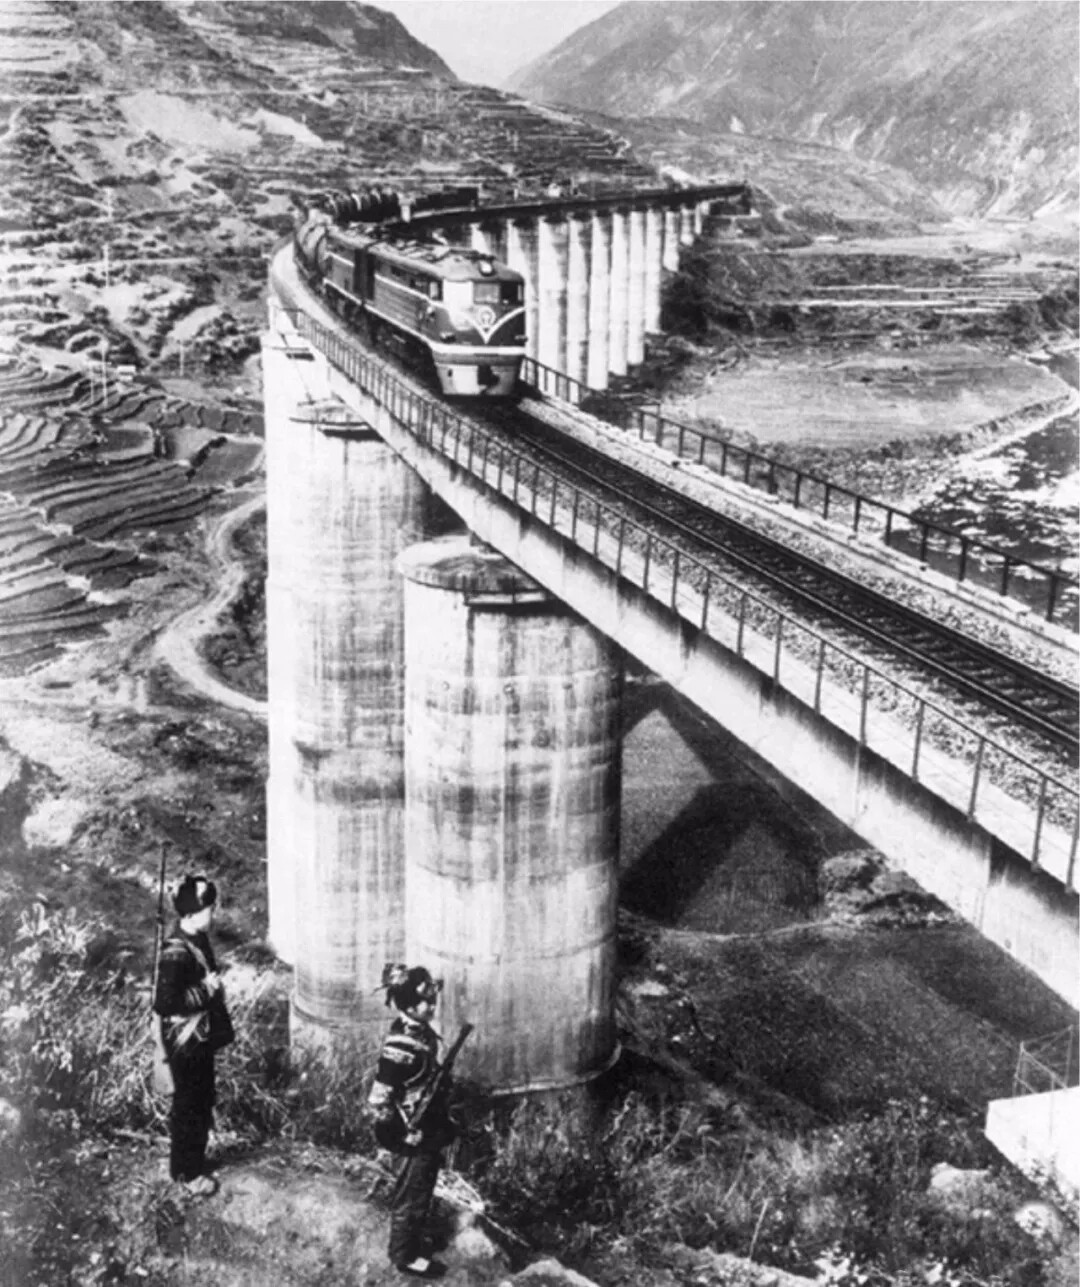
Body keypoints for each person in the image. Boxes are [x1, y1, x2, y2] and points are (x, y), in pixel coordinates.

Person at [368, 963, 457, 1280]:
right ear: (408, 1006)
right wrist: (400, 1136)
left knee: (423, 1188)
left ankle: (414, 1240)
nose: (431, 1007)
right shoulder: (400, 1047)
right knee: (411, 1196)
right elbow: (379, 1100)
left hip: (427, 1127)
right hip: (410, 1133)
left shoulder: (418, 1032)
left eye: (433, 1001)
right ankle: (404, 1255)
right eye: (425, 1002)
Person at [153, 874, 234, 1197]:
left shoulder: (196, 938)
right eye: (208, 909)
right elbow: (165, 1002)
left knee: (201, 1101)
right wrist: (205, 989)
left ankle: (194, 1162)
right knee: (189, 1106)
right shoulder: (176, 952)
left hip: (197, 1040)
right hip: (185, 1043)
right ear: (191, 913)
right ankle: (186, 1174)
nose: (212, 913)